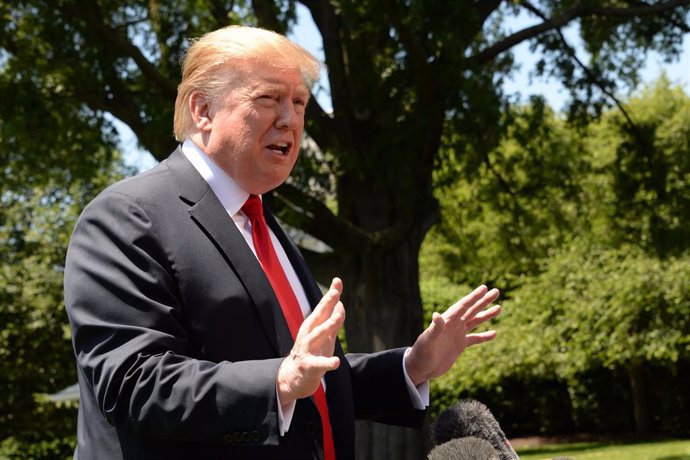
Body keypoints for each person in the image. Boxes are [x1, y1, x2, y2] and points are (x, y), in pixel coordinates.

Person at [64, 25, 502, 460]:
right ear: (203, 110)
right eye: (268, 99)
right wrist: (280, 381)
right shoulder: (127, 215)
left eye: (299, 102)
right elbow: (133, 382)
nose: (291, 120)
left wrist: (411, 367)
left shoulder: (262, 223)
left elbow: (312, 377)